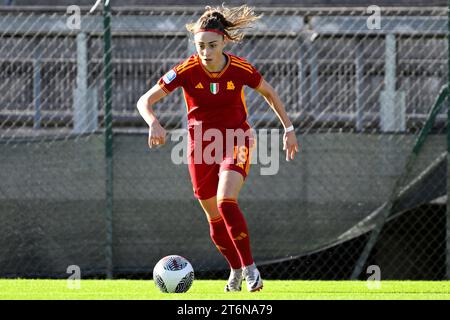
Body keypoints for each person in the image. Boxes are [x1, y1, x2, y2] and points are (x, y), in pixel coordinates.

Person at [137, 4, 299, 292]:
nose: (206, 51)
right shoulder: (186, 70)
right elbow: (144, 101)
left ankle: (251, 270)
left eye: (212, 45)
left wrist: (288, 128)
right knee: (213, 216)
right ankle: (235, 270)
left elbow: (269, 93)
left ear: (224, 41)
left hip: (237, 139)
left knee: (226, 201)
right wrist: (153, 122)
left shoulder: (239, 68)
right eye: (200, 46)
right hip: (200, 147)